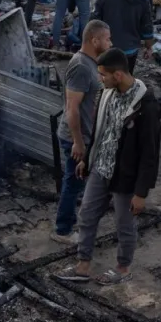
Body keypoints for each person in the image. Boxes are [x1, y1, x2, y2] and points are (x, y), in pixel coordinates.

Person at [54, 47, 161, 285]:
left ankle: (122, 268)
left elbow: (150, 153)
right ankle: (83, 266)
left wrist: (141, 193)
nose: (100, 79)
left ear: (118, 75)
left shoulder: (146, 106)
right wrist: (87, 158)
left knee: (124, 224)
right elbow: (100, 131)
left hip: (126, 177)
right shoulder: (106, 94)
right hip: (100, 168)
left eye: (103, 74)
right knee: (87, 215)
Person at [52, 20, 111, 244]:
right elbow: (72, 108)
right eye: (107, 39)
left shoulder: (91, 64)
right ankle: (62, 230)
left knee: (78, 182)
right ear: (94, 41)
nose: (110, 43)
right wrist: (78, 142)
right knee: (73, 183)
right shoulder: (80, 67)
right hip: (75, 138)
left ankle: (72, 222)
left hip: (86, 136)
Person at [92, 0, 154, 74]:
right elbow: (147, 26)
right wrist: (148, 47)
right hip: (130, 50)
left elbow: (94, 22)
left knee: (107, 78)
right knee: (126, 78)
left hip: (107, 48)